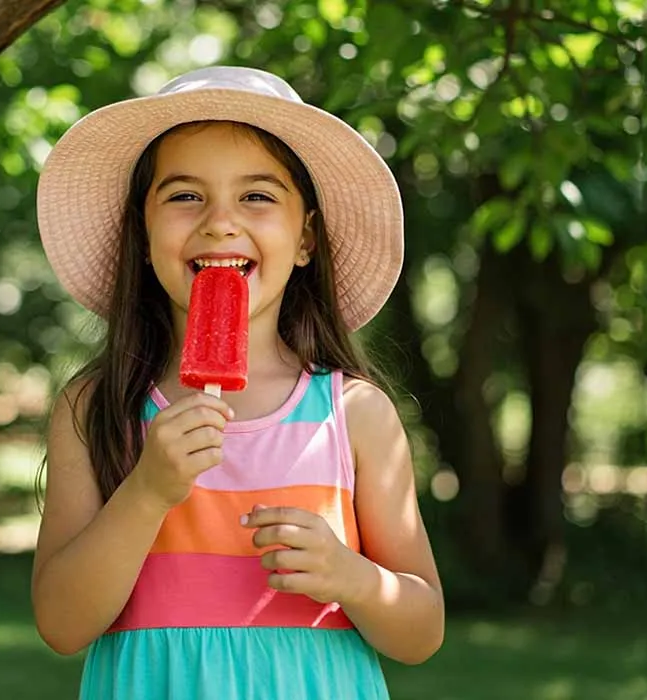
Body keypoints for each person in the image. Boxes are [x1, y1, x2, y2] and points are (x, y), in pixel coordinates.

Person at [31, 65, 444, 699]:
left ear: (306, 237)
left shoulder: (354, 413)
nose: (220, 222)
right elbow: (61, 624)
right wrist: (147, 491)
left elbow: (422, 633)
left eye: (257, 196)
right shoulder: (95, 408)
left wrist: (352, 577)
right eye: (184, 196)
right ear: (142, 236)